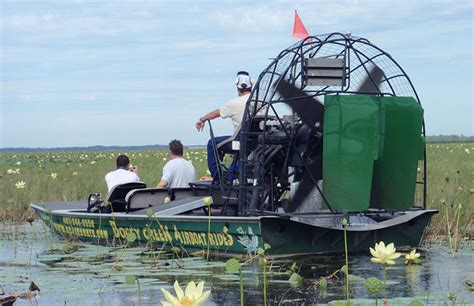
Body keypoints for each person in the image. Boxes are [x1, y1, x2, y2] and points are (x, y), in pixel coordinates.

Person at [195, 71, 252, 178]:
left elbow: (218, 112)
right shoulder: (261, 102)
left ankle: (218, 177)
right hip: (257, 142)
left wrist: (202, 119)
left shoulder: (234, 103)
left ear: (237, 87)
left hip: (241, 140)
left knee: (212, 143)